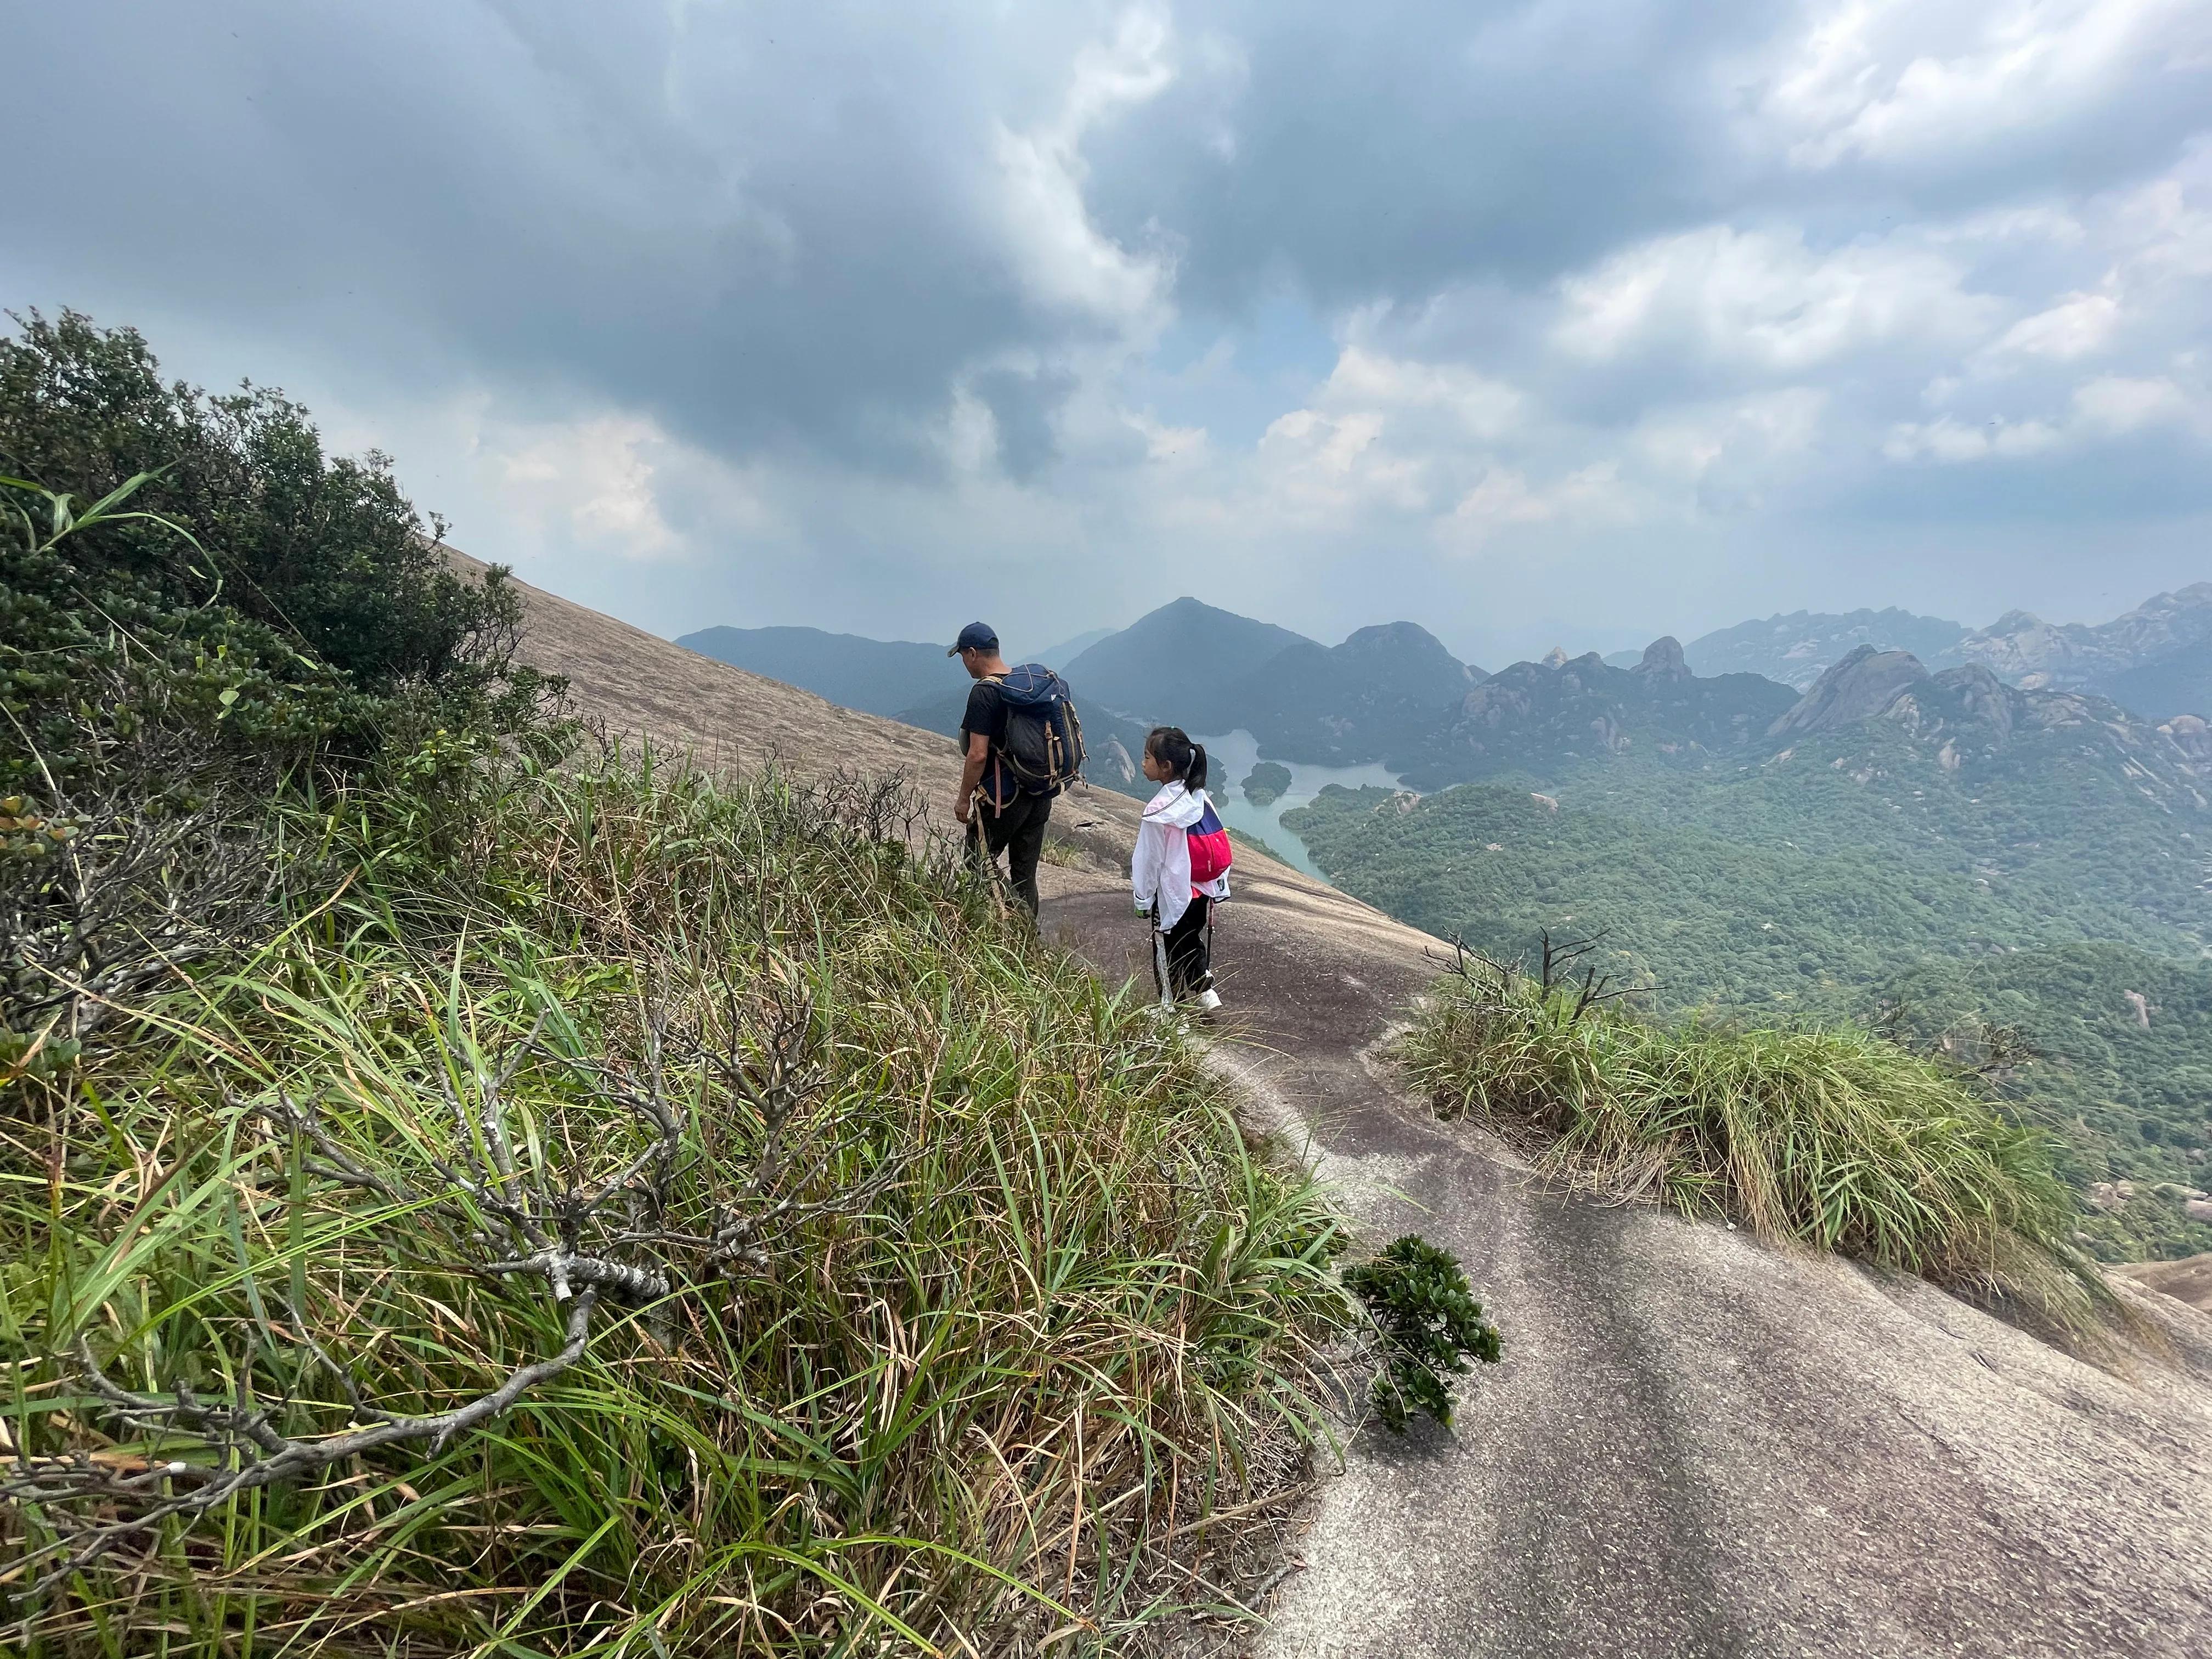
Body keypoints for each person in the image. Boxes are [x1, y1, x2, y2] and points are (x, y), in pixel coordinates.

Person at [950, 620, 1054, 915]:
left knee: (976, 862)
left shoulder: (985, 693)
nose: (964, 664)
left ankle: (987, 929)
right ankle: (1027, 939)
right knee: (1025, 873)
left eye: (962, 657)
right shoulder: (1025, 685)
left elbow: (978, 755)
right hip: (1040, 794)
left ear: (972, 654)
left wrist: (962, 799)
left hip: (1004, 798)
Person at [1132, 726, 1231, 1012]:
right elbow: (1216, 840)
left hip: (1174, 895)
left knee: (1165, 949)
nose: (1143, 763)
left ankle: (1170, 1010)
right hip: (1202, 890)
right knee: (1190, 938)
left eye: (1147, 757)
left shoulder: (1158, 811)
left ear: (1166, 766)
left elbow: (1148, 860)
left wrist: (1143, 898)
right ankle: (1204, 990)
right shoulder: (1200, 797)